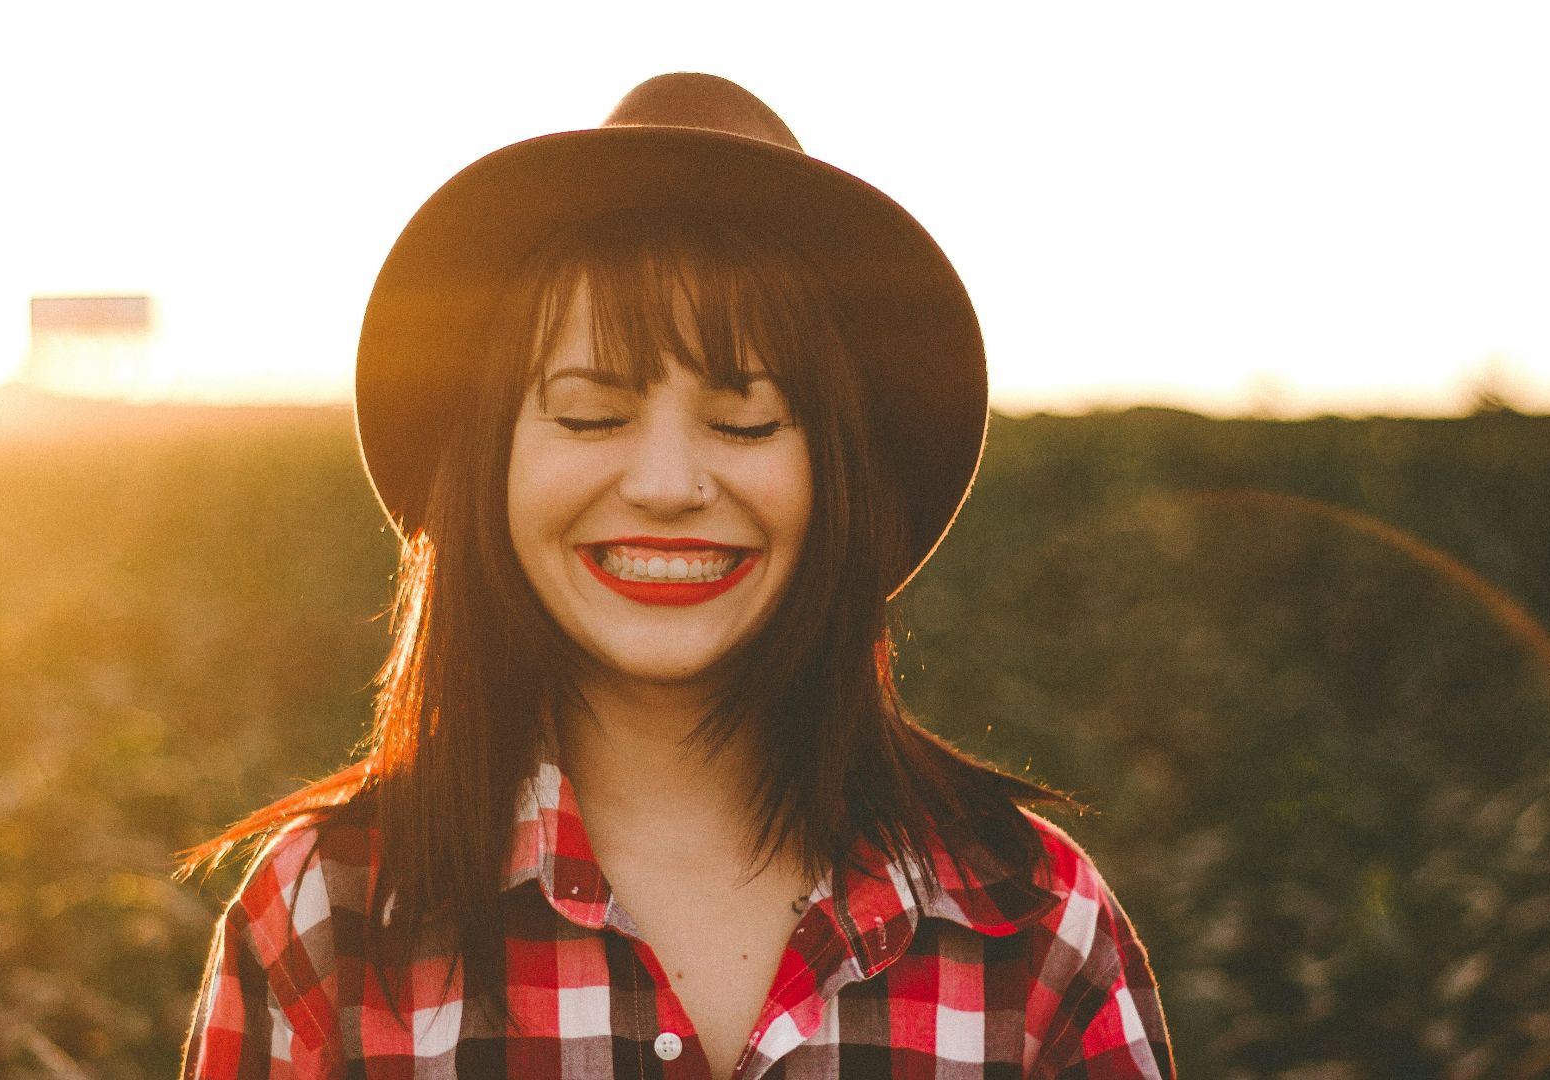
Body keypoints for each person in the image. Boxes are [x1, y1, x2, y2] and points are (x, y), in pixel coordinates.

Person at [180, 73, 1172, 1079]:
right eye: (589, 413)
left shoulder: (1032, 924)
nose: (665, 485)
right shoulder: (328, 921)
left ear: (840, 476)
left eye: (745, 422)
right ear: (492, 466)